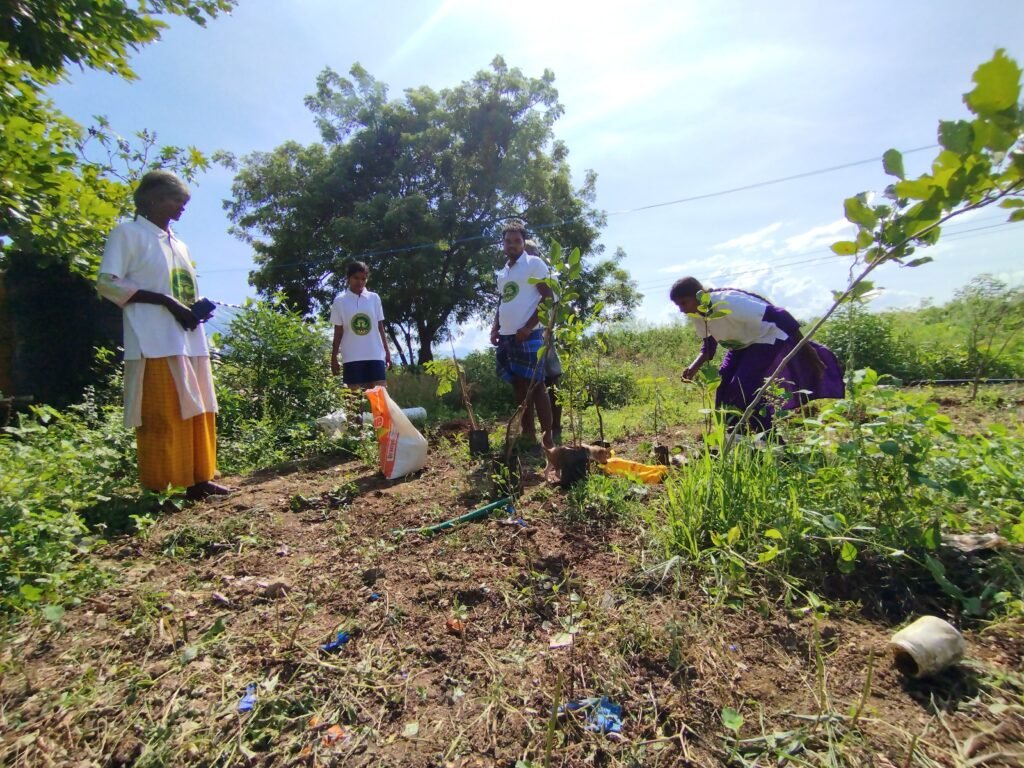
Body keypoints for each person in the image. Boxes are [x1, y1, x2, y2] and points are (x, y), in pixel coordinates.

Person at [96, 170, 229, 500]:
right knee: (163, 414)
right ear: (152, 199)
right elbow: (107, 282)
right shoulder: (128, 234)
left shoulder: (179, 244)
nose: (182, 206)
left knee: (199, 409)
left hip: (189, 339)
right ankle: (162, 487)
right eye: (176, 199)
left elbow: (178, 287)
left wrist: (192, 306)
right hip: (153, 341)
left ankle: (199, 479)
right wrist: (166, 302)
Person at [670, 277, 844, 431]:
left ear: (699, 295)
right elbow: (709, 347)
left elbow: (780, 315)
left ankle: (770, 438)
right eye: (678, 305)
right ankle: (734, 437)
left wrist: (808, 351)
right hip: (740, 345)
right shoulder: (697, 314)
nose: (681, 310)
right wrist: (693, 368)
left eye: (683, 303)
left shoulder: (727, 302)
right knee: (723, 388)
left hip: (766, 337)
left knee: (742, 387)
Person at [491, 221, 556, 449]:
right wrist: (495, 327)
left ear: (523, 242)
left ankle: (548, 437)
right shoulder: (504, 273)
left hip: (530, 335)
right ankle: (528, 434)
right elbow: (503, 301)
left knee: (536, 385)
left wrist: (528, 327)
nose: (512, 245)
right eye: (508, 241)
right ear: (503, 244)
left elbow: (548, 298)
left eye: (517, 241)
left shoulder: (534, 264)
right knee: (518, 385)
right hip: (508, 336)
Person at [522, 239, 563, 443]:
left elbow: (551, 304)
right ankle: (528, 431)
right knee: (526, 383)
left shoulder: (548, 278)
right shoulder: (519, 278)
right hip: (524, 336)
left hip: (543, 334)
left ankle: (555, 427)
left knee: (551, 380)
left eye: (529, 254)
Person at [330, 261, 392, 389]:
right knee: (354, 401)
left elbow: (380, 327)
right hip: (352, 357)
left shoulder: (374, 298)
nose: (360, 282)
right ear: (348, 278)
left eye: (363, 279)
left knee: (380, 398)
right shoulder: (340, 301)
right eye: (356, 278)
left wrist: (387, 352)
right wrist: (334, 357)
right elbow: (338, 331)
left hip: (374, 355)